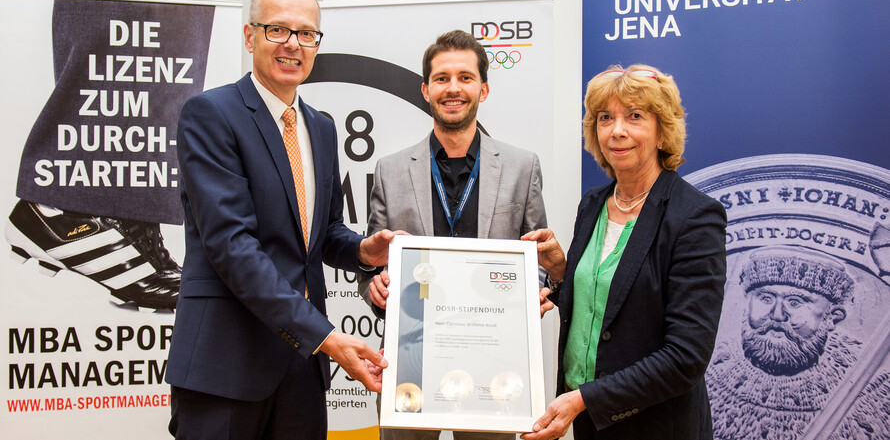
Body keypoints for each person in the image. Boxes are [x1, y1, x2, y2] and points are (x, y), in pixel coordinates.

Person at [165, 0, 395, 439]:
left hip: (300, 369)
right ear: (250, 37)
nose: (293, 44)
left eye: (306, 33)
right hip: (226, 365)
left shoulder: (321, 127)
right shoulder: (210, 115)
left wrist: (365, 252)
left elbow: (321, 233)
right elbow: (233, 246)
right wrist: (327, 339)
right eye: (278, 30)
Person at [358, 30, 549, 440]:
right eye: (442, 78)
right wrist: (373, 286)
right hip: (410, 358)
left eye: (465, 77)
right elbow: (372, 261)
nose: (453, 88)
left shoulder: (522, 167)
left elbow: (538, 257)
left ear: (484, 88)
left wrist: (536, 289)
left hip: (493, 360)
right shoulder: (390, 170)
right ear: (426, 89)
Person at [521, 64, 727, 439]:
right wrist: (561, 274)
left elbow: (686, 358)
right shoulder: (594, 203)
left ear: (663, 132)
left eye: (634, 117)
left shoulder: (695, 217)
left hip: (655, 426)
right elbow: (604, 311)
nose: (617, 131)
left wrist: (585, 398)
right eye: (605, 118)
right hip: (591, 424)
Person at [707, 246, 890, 439]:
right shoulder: (710, 368)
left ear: (832, 317)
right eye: (766, 298)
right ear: (747, 304)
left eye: (795, 302)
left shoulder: (875, 389)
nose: (777, 315)